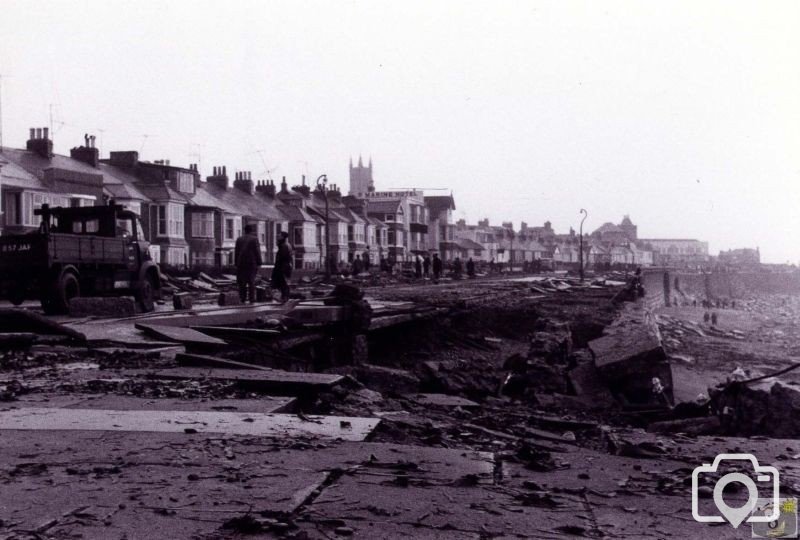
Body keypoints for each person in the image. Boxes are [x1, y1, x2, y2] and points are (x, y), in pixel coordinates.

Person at [234, 224, 263, 303]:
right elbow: (257, 251)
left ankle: (242, 298)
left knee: (242, 282)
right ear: (251, 231)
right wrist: (259, 262)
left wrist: (236, 263)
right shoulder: (254, 239)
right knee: (251, 282)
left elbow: (236, 252)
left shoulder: (239, 239)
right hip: (251, 263)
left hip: (241, 264)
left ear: (244, 230)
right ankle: (251, 299)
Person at [271, 231, 293, 303]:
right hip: (286, 267)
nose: (277, 237)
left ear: (283, 237)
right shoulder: (287, 245)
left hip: (282, 268)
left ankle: (284, 298)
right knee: (284, 283)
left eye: (279, 236)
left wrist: (277, 268)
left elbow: (281, 258)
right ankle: (284, 297)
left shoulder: (283, 246)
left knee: (282, 283)